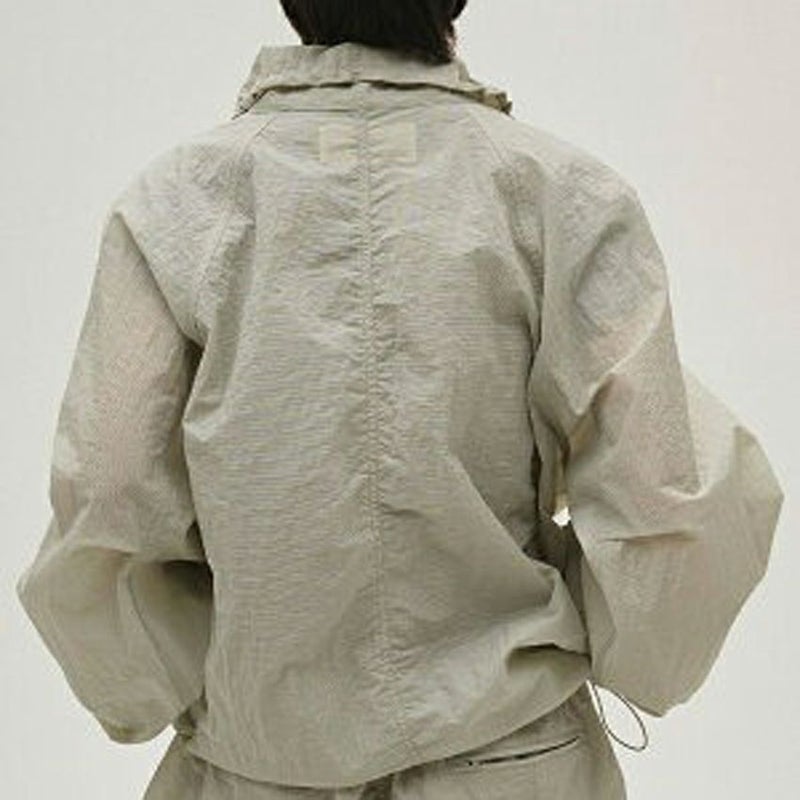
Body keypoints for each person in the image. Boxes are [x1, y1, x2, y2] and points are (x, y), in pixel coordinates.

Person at [15, 2, 784, 799]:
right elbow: (665, 495)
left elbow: (108, 487)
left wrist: (169, 687)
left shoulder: (175, 204)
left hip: (256, 765)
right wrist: (620, 643)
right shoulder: (562, 194)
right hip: (518, 756)